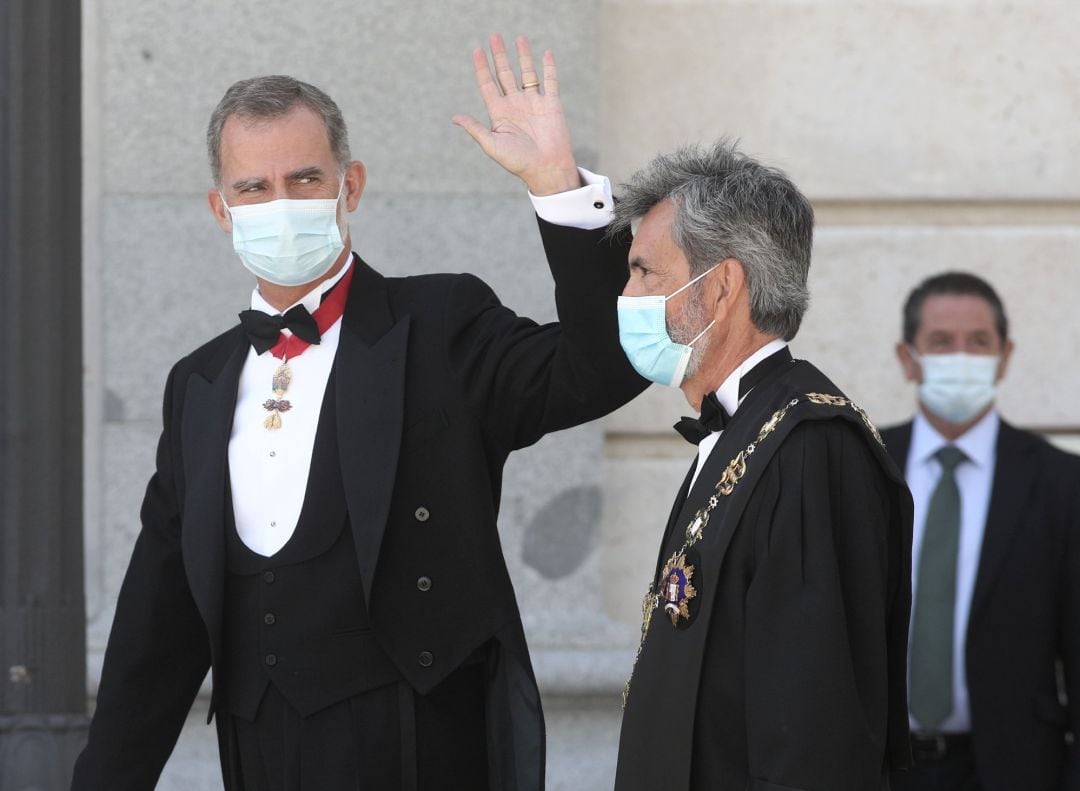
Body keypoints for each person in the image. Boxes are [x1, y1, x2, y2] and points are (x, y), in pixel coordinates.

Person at [71, 34, 646, 790]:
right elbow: (157, 628)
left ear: (352, 186)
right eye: (254, 188)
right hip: (262, 757)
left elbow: (599, 370)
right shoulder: (198, 385)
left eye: (305, 178)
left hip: (422, 751)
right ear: (221, 209)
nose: (280, 204)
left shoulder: (440, 325)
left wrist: (558, 190)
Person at [609, 143, 914, 791]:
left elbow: (812, 733)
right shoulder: (745, 429)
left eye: (644, 273)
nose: (626, 296)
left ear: (720, 287)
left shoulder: (809, 450)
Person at [883, 272, 1080, 791]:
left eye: (979, 342)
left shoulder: (1061, 484)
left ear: (1005, 356)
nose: (961, 357)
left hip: (1014, 769)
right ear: (908, 358)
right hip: (876, 768)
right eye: (941, 343)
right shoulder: (861, 466)